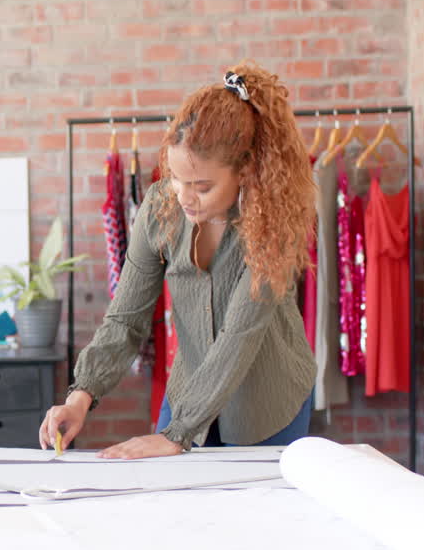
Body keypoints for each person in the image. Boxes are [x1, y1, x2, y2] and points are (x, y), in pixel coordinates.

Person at [40, 62, 316, 459]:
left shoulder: (274, 224)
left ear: (245, 171)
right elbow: (126, 318)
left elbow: (238, 338)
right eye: (176, 178)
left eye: (202, 186)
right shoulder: (159, 208)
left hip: (267, 403)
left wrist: (177, 432)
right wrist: (81, 395)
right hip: (189, 389)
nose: (185, 196)